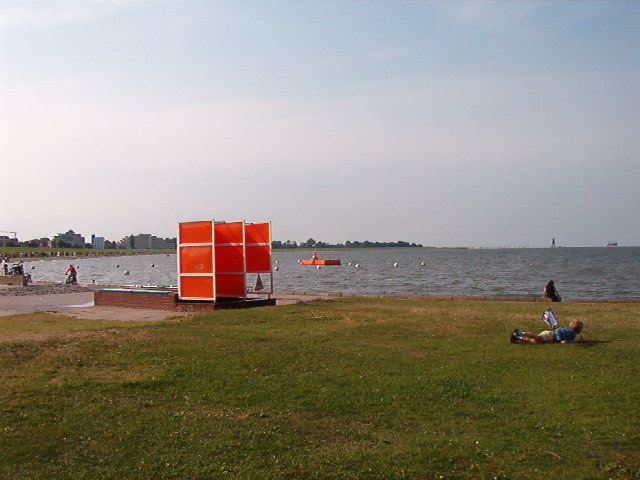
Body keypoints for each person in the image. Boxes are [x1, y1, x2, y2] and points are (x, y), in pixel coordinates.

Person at [511, 319, 584, 344]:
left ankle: (518, 338)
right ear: (577, 330)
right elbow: (567, 341)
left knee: (534, 341)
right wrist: (578, 341)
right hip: (550, 336)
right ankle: (520, 332)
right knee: (536, 337)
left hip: (548, 335)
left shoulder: (567, 330)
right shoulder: (571, 333)